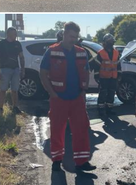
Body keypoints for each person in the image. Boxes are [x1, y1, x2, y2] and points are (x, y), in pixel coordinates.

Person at [39, 22, 96, 173]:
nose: (73, 40)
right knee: (57, 130)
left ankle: (82, 162)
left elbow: (86, 72)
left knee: (81, 129)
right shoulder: (52, 51)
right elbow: (43, 73)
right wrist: (51, 92)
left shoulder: (81, 52)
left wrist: (83, 91)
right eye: (71, 36)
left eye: (76, 37)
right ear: (64, 35)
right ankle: (57, 161)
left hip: (77, 98)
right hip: (59, 98)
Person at [0, 27, 25, 114]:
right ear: (8, 34)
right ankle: (0, 108)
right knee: (3, 89)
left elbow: (21, 57)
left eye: (16, 34)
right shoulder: (0, 44)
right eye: (14, 34)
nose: (16, 35)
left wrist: (22, 70)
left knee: (15, 89)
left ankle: (15, 107)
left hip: (15, 69)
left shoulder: (17, 44)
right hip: (4, 69)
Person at [95, 33, 122, 116]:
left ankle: (109, 109)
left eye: (111, 41)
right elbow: (96, 66)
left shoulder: (116, 53)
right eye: (109, 41)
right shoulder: (100, 53)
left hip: (113, 77)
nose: (111, 43)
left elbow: (118, 65)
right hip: (103, 77)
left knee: (111, 93)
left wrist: (119, 75)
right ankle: (101, 110)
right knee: (103, 93)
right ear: (105, 42)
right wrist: (96, 76)